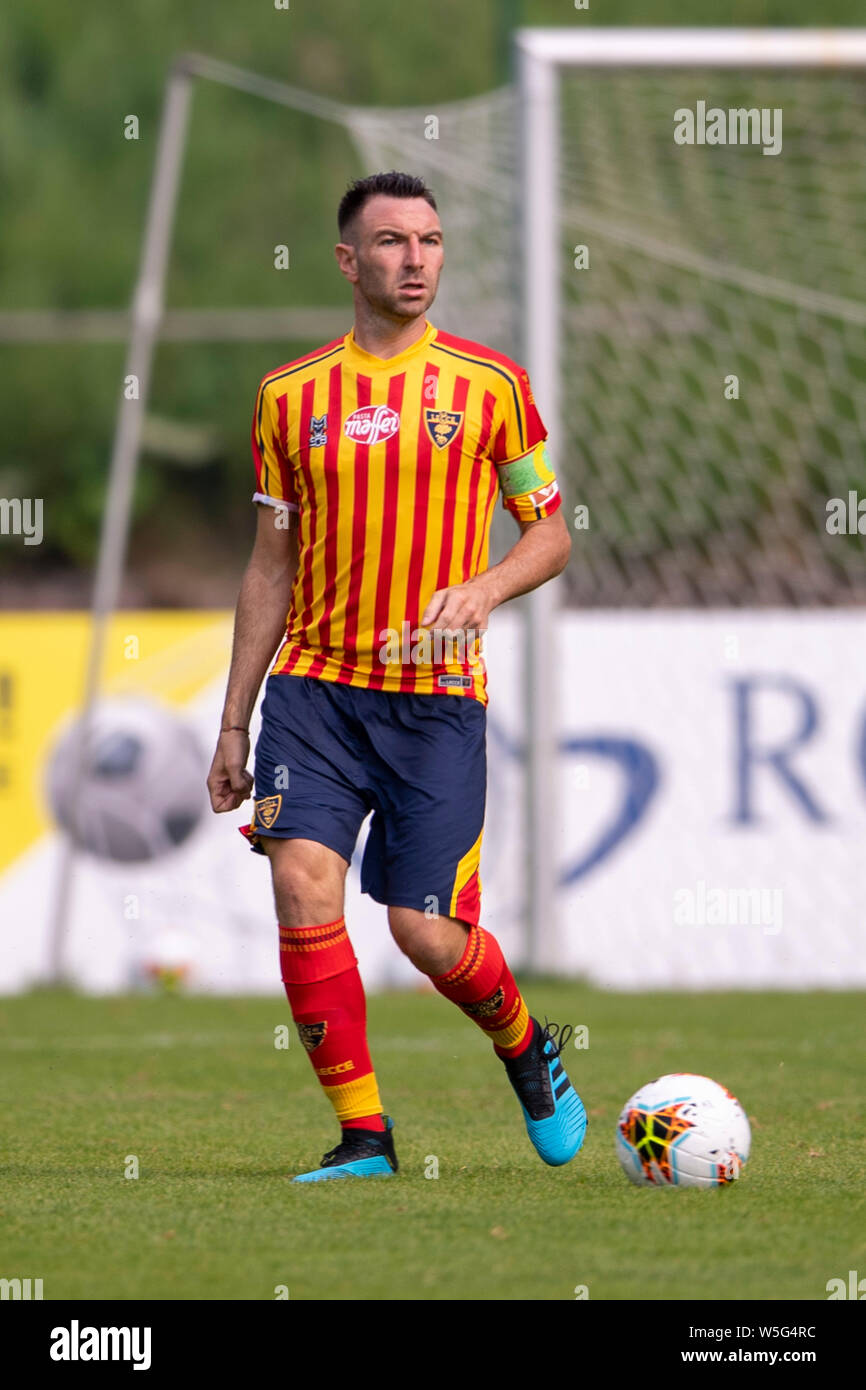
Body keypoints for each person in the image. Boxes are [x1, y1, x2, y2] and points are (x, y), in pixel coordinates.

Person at [206, 170, 586, 1182]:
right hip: (315, 690)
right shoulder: (288, 398)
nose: (413, 259)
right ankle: (364, 1138)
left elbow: (549, 532)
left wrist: (487, 586)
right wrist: (234, 722)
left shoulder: (487, 386)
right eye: (389, 242)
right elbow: (268, 565)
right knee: (300, 881)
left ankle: (522, 1041)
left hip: (435, 698)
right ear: (347, 260)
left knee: (423, 930)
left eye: (428, 240)